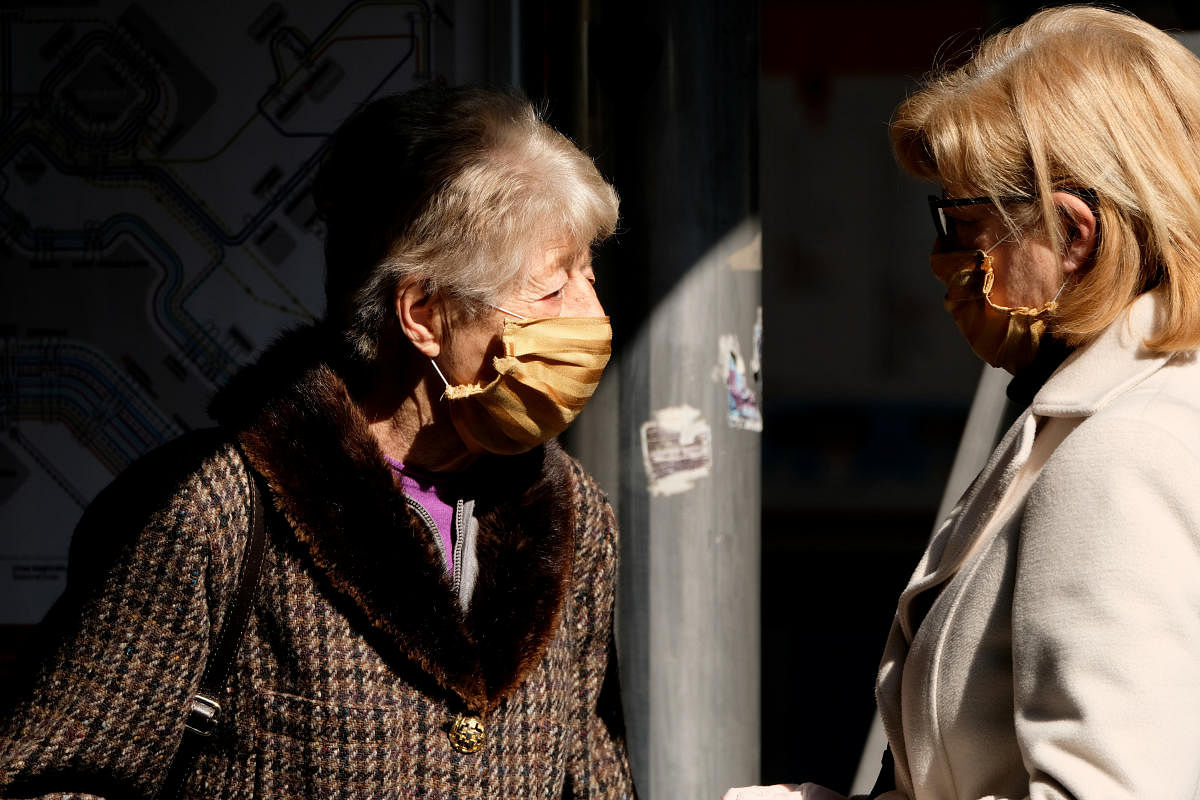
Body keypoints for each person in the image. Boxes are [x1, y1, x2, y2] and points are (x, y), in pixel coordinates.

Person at [0, 84, 635, 799]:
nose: (592, 317)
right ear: (423, 313)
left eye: (588, 275)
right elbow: (50, 780)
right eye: (551, 292)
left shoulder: (573, 518)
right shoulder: (217, 514)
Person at [727, 6, 1200, 799]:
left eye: (961, 225)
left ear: (1073, 234)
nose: (940, 259)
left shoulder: (1127, 451)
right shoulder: (1124, 410)